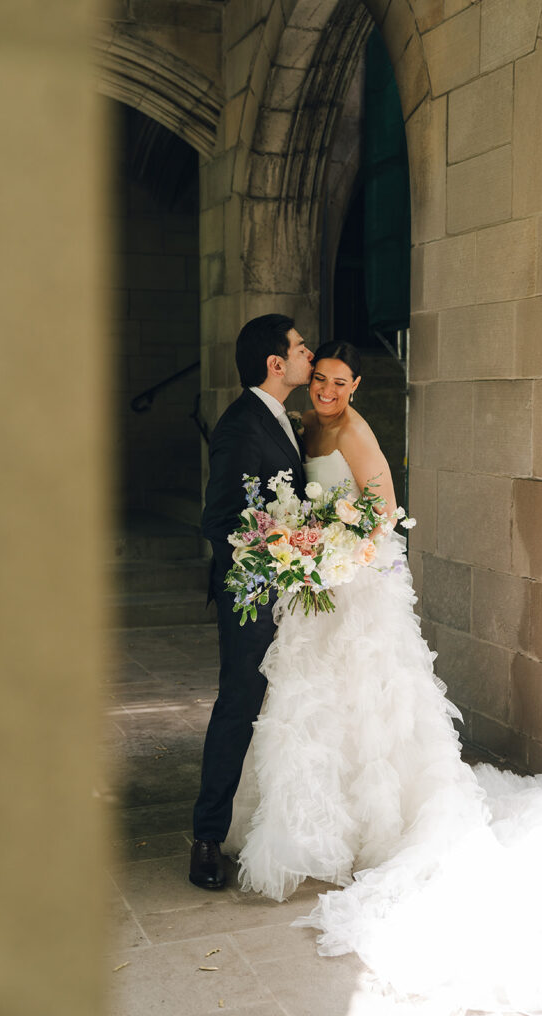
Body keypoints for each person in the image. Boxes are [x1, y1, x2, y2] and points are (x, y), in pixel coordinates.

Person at [222, 340, 542, 1015]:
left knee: (371, 708)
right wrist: (303, 553)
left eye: (340, 383)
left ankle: (380, 825)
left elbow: (380, 518)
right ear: (307, 380)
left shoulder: (356, 431)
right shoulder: (303, 426)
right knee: (310, 709)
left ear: (356, 384)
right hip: (314, 593)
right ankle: (317, 826)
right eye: (320, 381)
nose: (328, 393)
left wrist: (334, 559)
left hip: (356, 590)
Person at [189, 313, 313, 890]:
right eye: (300, 347)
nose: (307, 354)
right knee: (238, 703)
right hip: (251, 596)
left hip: (288, 592)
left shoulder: (283, 419)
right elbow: (220, 521)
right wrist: (274, 560)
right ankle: (207, 837)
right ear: (275, 363)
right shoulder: (241, 425)